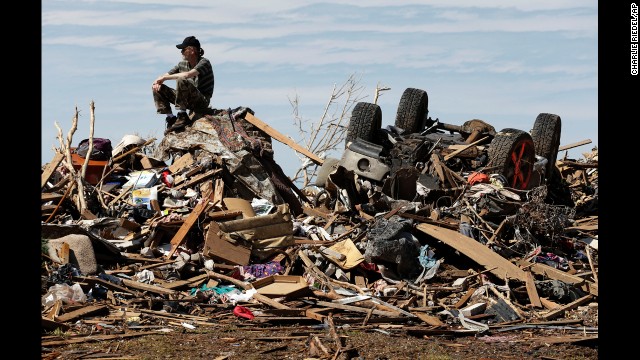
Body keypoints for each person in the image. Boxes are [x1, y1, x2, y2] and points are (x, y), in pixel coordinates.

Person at [152, 36, 214, 134]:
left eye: (183, 49)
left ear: (192, 50)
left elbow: (187, 75)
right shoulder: (182, 64)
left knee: (181, 79)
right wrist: (157, 82)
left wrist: (164, 78)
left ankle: (182, 115)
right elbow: (166, 75)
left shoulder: (204, 62)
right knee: (158, 88)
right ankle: (171, 118)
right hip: (188, 99)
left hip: (201, 101)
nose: (181, 52)